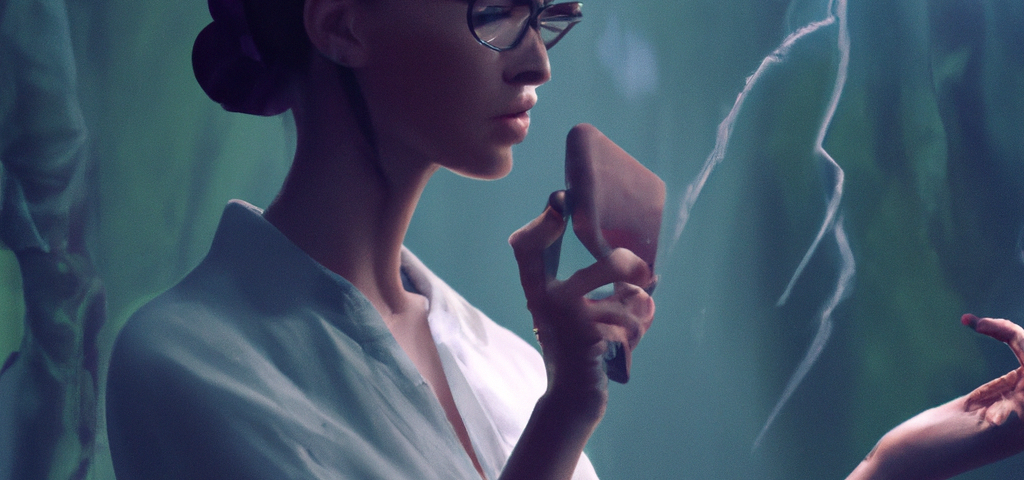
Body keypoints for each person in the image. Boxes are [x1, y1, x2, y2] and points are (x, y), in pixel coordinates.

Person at [105, 0, 654, 479]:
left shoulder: (517, 364)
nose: (539, 64)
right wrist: (562, 418)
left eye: (543, 17)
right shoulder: (186, 364)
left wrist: (567, 401)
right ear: (342, 28)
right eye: (492, 12)